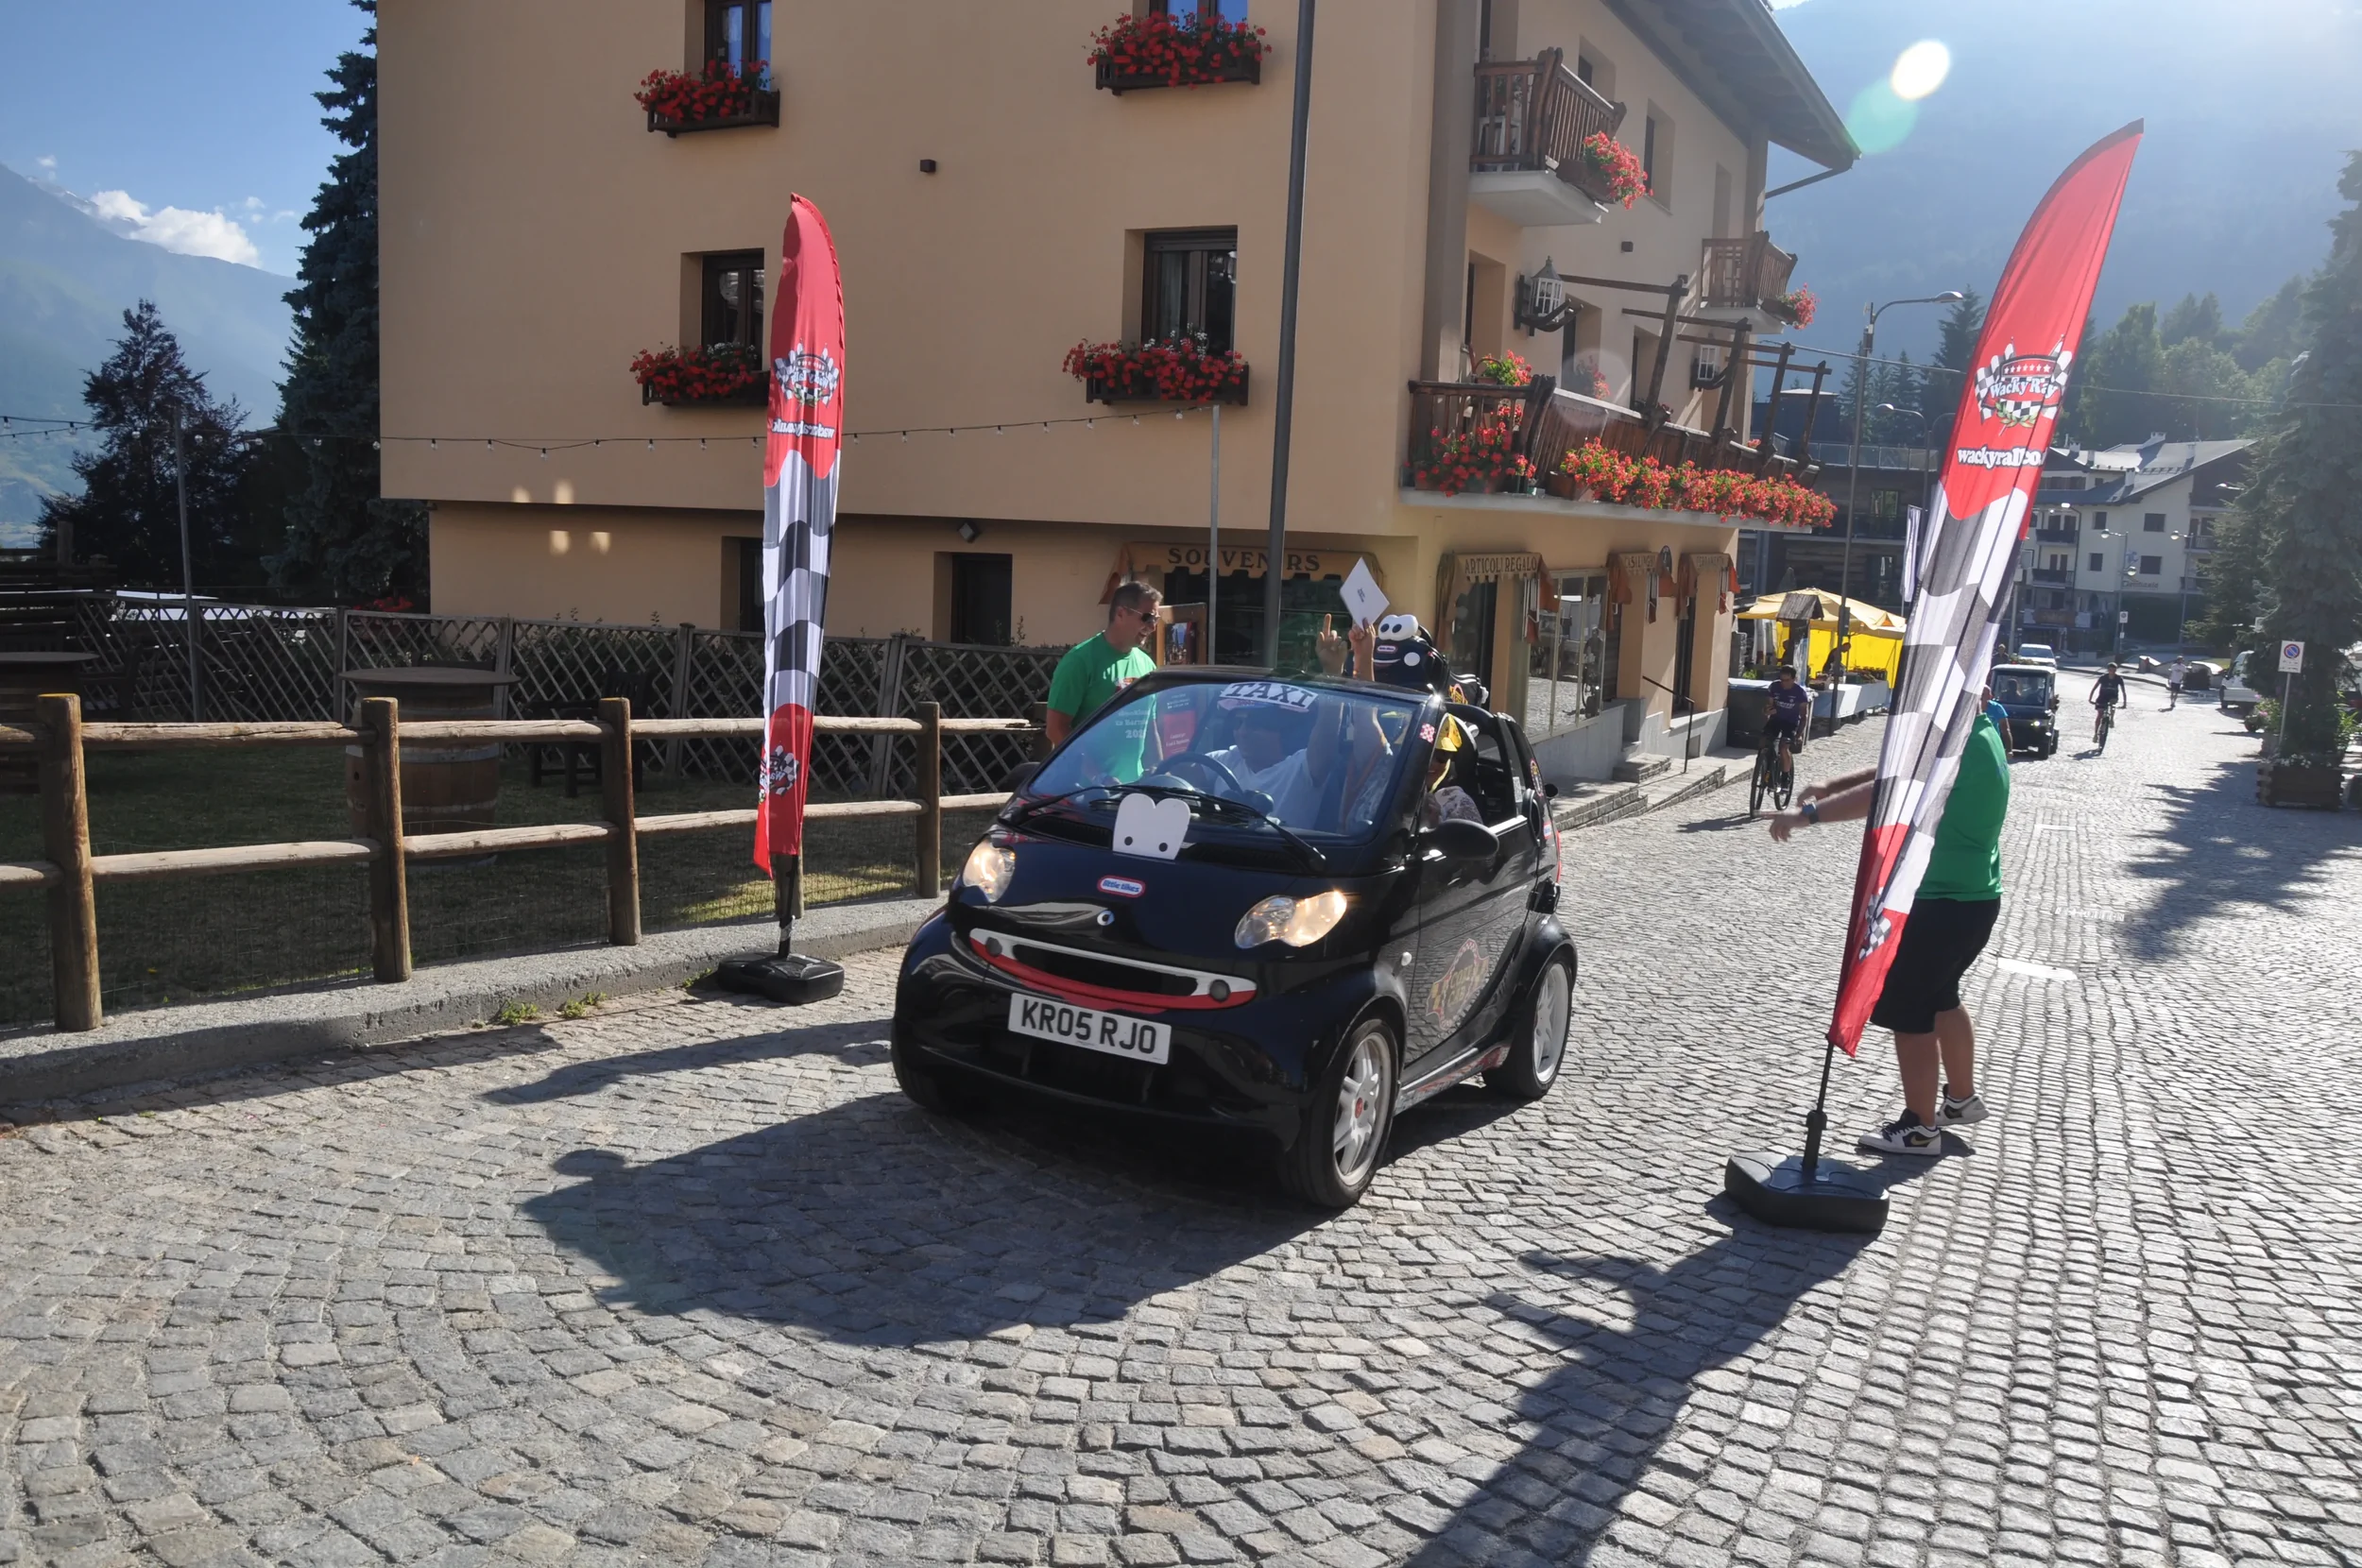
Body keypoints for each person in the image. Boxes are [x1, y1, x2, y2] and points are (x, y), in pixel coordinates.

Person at [1766, 700, 2011, 1156]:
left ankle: (1920, 1129)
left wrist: (1807, 816)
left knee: (1912, 1013)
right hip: (1976, 899)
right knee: (1943, 997)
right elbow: (1901, 765)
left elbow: (1891, 793)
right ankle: (1960, 1099)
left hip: (1937, 902)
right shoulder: (1982, 731)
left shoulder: (1952, 746)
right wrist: (1831, 784)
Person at [1045, 580, 1162, 770]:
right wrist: (1094, 775)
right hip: (1083, 791)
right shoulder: (1080, 661)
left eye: (1156, 620)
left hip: (1132, 791)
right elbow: (1056, 728)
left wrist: (1159, 772)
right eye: (1147, 618)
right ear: (1121, 613)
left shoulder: (1146, 664)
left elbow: (1150, 727)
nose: (1152, 627)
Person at [1764, 667, 1813, 777]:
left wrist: (1799, 734)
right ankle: (1765, 766)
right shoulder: (1775, 687)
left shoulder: (1800, 693)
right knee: (1765, 741)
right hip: (1776, 720)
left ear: (1794, 679)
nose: (1783, 683)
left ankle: (1785, 777)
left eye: (1787, 680)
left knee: (1783, 747)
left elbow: (1804, 716)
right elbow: (1768, 707)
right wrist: (1767, 712)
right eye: (1782, 680)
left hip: (1791, 723)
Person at [2088, 661, 2129, 741]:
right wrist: (2090, 698)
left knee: (2112, 705)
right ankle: (2096, 734)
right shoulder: (2103, 678)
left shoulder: (2119, 679)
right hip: (2102, 697)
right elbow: (2094, 688)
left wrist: (2124, 704)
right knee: (2100, 714)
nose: (2112, 672)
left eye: (2114, 670)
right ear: (2108, 670)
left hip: (2113, 696)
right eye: (2110, 670)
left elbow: (2124, 691)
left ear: (2116, 670)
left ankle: (2111, 719)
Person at [1982, 684, 2013, 755]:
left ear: (1989, 697)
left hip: (1992, 743)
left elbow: (2005, 730)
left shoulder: (1996, 708)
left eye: (1983, 695)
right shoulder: (1971, 708)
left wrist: (2009, 750)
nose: (1980, 698)